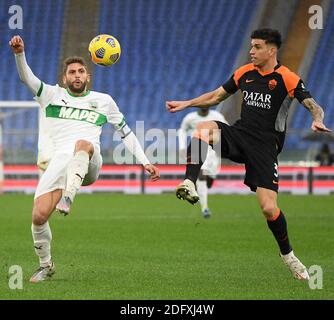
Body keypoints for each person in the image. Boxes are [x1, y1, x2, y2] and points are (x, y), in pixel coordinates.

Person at [166, 28, 331, 281]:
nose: (251, 51)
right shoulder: (244, 73)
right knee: (203, 129)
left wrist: (318, 119)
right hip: (240, 134)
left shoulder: (287, 78)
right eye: (251, 46)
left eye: (256, 47)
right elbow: (215, 96)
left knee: (268, 208)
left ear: (271, 50)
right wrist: (187, 104)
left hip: (266, 146)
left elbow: (312, 104)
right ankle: (189, 180)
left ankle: (288, 255)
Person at [10, 35, 160, 283]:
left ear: (88, 76)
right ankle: (46, 265)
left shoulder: (103, 101)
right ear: (64, 78)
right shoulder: (50, 95)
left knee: (83, 144)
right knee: (38, 216)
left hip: (89, 162)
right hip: (60, 163)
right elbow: (26, 77)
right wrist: (19, 54)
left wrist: (145, 161)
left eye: (81, 71)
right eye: (72, 72)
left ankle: (69, 196)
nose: (77, 75)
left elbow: (126, 132)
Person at [178, 107, 228, 218]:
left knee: (209, 182)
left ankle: (198, 187)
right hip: (198, 148)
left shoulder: (217, 116)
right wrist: (182, 147)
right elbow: (182, 130)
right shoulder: (190, 118)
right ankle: (205, 208)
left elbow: (227, 129)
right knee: (201, 176)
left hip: (214, 153)